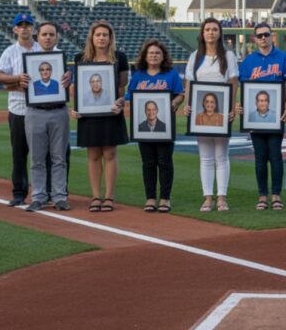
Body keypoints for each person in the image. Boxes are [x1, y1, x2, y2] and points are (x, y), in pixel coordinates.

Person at [70, 21, 129, 213]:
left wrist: (120, 103)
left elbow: (121, 87)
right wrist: (75, 107)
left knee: (110, 153)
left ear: (110, 38)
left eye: (105, 34)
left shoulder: (119, 57)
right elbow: (77, 88)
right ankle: (96, 196)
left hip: (111, 112)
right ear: (92, 37)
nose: (101, 38)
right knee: (93, 155)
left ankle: (109, 196)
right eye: (98, 35)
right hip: (88, 114)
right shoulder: (81, 58)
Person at [184, 17, 239, 212]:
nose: (211, 33)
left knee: (221, 156)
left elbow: (233, 82)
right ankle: (208, 197)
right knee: (206, 157)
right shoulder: (195, 57)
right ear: (202, 33)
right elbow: (189, 83)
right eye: (207, 29)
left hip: (222, 112)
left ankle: (222, 198)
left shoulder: (228, 56)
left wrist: (232, 107)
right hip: (201, 113)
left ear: (220, 33)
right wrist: (188, 106)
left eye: (215, 30)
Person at [238, 22, 286, 210]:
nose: (263, 38)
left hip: (276, 115)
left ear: (272, 36)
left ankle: (276, 195)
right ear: (254, 39)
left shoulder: (284, 58)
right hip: (255, 117)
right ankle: (262, 195)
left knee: (275, 155)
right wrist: (243, 109)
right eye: (259, 35)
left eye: (266, 34)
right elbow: (245, 90)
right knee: (260, 156)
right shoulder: (248, 61)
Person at [126, 39, 184, 212]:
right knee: (148, 163)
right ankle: (150, 197)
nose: (154, 56)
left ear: (163, 56)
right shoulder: (138, 75)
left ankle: (165, 198)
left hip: (165, 125)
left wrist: (175, 103)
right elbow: (130, 96)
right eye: (150, 53)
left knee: (165, 162)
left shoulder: (171, 74)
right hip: (143, 126)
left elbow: (180, 94)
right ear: (145, 55)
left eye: (157, 53)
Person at [0, 12, 42, 205]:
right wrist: (16, 79)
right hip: (18, 110)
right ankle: (19, 193)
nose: (24, 28)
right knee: (19, 154)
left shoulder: (43, 49)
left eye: (28, 25)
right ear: (15, 29)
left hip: (41, 109)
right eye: (21, 25)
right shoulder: (10, 51)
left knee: (41, 154)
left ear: (33, 28)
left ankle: (42, 193)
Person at [23, 22, 72, 212]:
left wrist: (71, 77)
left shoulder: (62, 59)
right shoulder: (28, 59)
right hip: (35, 112)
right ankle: (38, 196)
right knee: (37, 158)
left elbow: (71, 80)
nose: (48, 37)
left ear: (57, 37)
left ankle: (59, 197)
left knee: (59, 157)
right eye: (44, 34)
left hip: (59, 111)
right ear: (38, 37)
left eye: (52, 34)